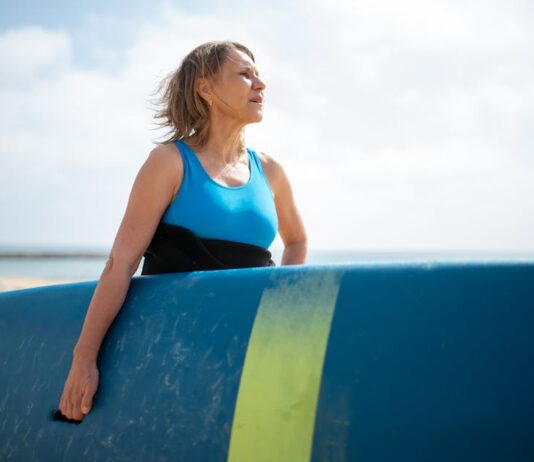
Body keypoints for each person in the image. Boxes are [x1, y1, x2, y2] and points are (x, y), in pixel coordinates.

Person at [58, 40, 308, 422]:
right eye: (244, 74)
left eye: (258, 74)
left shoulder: (270, 171)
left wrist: (282, 306)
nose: (260, 84)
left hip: (248, 345)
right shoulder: (169, 162)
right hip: (176, 347)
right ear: (205, 89)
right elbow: (120, 263)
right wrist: (84, 359)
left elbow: (297, 240)